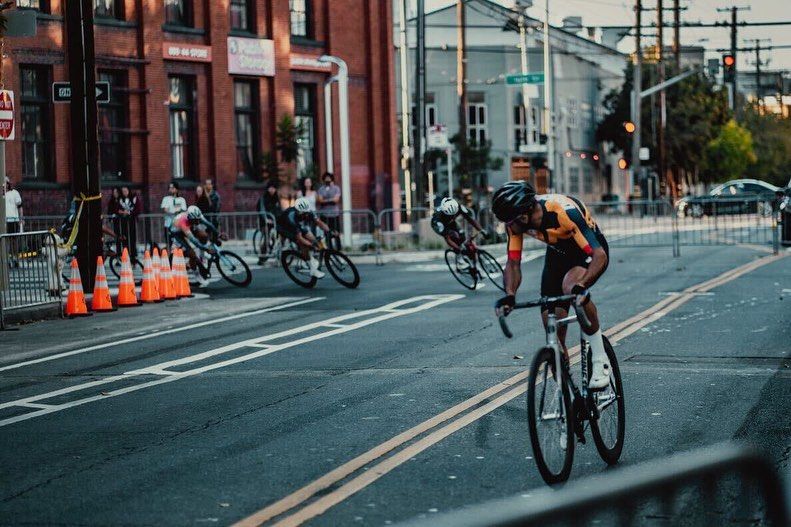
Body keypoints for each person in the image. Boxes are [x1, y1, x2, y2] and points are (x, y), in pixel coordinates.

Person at [492, 181, 611, 390]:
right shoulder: (516, 222)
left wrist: (582, 286)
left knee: (571, 288)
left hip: (587, 251)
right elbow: (512, 263)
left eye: (510, 221)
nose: (508, 227)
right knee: (551, 320)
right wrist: (510, 294)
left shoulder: (563, 212)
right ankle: (568, 391)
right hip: (557, 255)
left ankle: (600, 360)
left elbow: (599, 255)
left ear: (524, 213)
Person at [277, 197, 335, 278]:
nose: (306, 215)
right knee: (303, 244)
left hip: (298, 225)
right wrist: (312, 245)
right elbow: (300, 238)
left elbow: (319, 222)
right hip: (285, 227)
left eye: (306, 212)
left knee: (314, 239)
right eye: (303, 213)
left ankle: (306, 258)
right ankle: (312, 269)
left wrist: (329, 231)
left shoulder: (308, 212)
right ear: (297, 211)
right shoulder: (291, 216)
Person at [169, 205, 219, 287]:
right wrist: (206, 249)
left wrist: (218, 234)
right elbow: (194, 241)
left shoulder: (197, 215)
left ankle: (202, 257)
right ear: (190, 218)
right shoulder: (183, 223)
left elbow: (209, 225)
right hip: (177, 233)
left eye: (199, 220)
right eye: (196, 221)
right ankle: (197, 276)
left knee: (204, 236)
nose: (198, 222)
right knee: (191, 253)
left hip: (190, 225)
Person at [117, 186, 141, 263]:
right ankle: (125, 257)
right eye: (123, 191)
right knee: (124, 239)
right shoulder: (120, 199)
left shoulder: (134, 198)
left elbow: (138, 209)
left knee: (132, 239)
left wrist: (129, 213)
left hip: (131, 221)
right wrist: (121, 212)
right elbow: (116, 209)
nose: (124, 193)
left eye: (125, 191)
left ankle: (133, 257)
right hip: (123, 222)